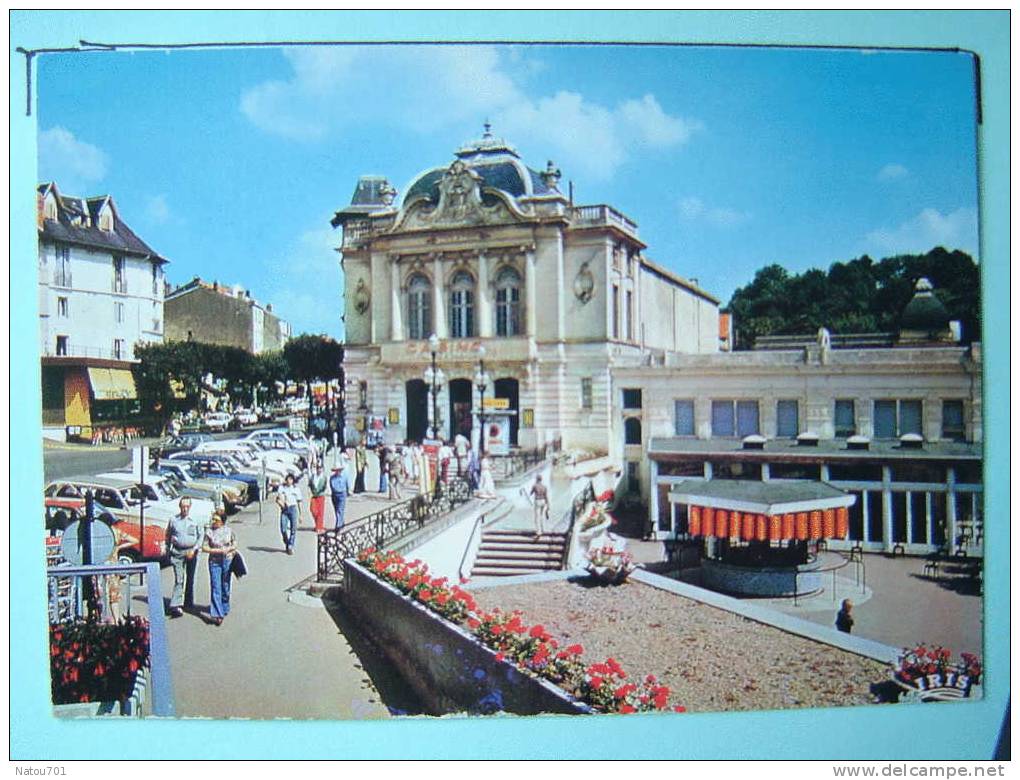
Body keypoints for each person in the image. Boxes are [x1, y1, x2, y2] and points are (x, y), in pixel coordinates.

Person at [166, 497, 203, 617]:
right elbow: (168, 535)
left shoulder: (195, 520)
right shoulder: (173, 520)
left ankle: (188, 602)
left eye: (187, 506)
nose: (185, 509)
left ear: (190, 507)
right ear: (179, 507)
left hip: (191, 552)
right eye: (183, 506)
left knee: (190, 578)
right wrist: (168, 549)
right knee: (179, 579)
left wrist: (194, 549)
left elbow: (201, 537)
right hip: (177, 553)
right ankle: (175, 605)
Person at [202, 512, 237, 626]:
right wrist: (217, 551)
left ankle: (224, 605)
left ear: (222, 521)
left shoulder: (228, 531)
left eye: (216, 520)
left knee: (225, 586)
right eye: (213, 519)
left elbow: (235, 543)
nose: (213, 522)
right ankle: (218, 614)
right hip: (214, 562)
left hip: (227, 560)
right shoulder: (209, 532)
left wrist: (230, 549)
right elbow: (204, 547)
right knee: (215, 586)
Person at [275, 473, 303, 555]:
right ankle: (286, 541)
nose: (289, 481)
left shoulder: (296, 489)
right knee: (283, 529)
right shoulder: (282, 488)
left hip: (293, 508)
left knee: (293, 529)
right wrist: (282, 502)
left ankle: (290, 546)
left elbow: (299, 501)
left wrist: (301, 514)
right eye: (288, 479)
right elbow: (278, 497)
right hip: (284, 509)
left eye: (291, 479)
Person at [330, 463, 352, 531]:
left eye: (339, 470)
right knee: (337, 510)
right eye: (337, 470)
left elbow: (347, 484)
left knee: (340, 509)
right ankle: (341, 522)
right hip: (335, 494)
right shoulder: (332, 478)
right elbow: (333, 487)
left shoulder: (344, 476)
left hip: (342, 494)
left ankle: (338, 525)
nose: (338, 471)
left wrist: (348, 491)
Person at [308, 460, 327, 534]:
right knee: (313, 510)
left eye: (320, 468)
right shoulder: (313, 477)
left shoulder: (324, 477)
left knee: (320, 512)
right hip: (314, 496)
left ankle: (319, 527)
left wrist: (320, 491)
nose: (319, 469)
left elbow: (324, 487)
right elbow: (310, 485)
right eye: (318, 468)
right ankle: (318, 524)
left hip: (320, 496)